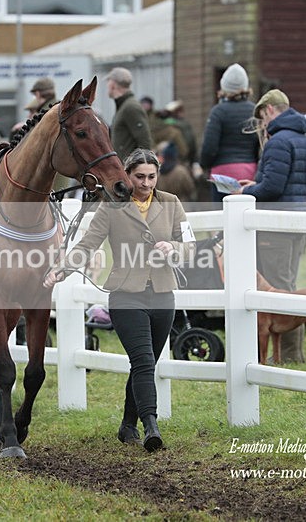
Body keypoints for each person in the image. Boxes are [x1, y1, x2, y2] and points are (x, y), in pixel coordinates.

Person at [44, 148, 194, 452]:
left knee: (144, 365)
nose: (147, 183)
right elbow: (87, 244)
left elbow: (189, 245)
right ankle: (151, 425)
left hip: (163, 294)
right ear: (127, 175)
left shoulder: (171, 203)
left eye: (152, 177)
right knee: (143, 360)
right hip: (126, 295)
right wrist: (61, 268)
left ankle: (127, 425)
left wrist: (174, 248)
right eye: (140, 177)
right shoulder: (111, 207)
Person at [233, 89, 306, 363]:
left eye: (261, 118)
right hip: (297, 222)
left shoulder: (278, 141)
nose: (262, 125)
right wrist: (254, 186)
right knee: (289, 284)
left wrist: (245, 193)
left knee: (277, 289)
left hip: (276, 225)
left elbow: (272, 187)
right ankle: (291, 352)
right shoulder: (303, 138)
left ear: (269, 110)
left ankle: (290, 355)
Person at [199, 63, 260, 203]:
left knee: (221, 219)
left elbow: (209, 146)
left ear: (224, 86)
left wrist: (204, 165)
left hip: (222, 174)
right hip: (249, 171)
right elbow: (259, 144)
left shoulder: (218, 112)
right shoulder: (255, 111)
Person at [105, 67, 153, 159]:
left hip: (128, 170)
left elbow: (145, 143)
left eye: (108, 81)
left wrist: (140, 169)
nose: (107, 85)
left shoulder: (131, 107)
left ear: (113, 84)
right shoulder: (123, 106)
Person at [164, 100, 198, 166]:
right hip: (180, 158)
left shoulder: (167, 124)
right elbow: (191, 142)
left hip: (175, 159)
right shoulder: (182, 125)